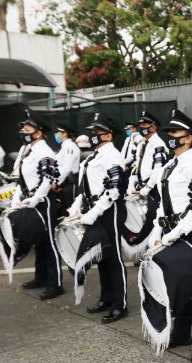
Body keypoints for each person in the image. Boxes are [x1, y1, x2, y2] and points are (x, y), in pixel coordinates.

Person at [143, 109, 192, 363]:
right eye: (169, 132)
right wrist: (158, 233)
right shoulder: (169, 165)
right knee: (182, 282)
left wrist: (174, 234)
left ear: (188, 137)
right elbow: (163, 206)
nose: (170, 136)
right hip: (170, 231)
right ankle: (182, 333)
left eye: (175, 132)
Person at [66, 112, 129, 323]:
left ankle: (120, 305)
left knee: (113, 259)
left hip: (109, 211)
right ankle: (106, 298)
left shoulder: (113, 155)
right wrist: (76, 207)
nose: (92, 135)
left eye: (96, 132)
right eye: (91, 132)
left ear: (108, 136)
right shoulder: (94, 156)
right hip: (95, 209)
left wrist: (94, 212)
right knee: (101, 258)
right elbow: (86, 187)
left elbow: (114, 190)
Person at [0, 110, 64, 300]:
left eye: (28, 128)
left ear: (39, 132)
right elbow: (21, 179)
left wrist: (37, 198)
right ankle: (40, 278)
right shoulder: (28, 150)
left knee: (49, 242)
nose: (23, 131)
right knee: (38, 242)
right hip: (28, 200)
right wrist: (17, 198)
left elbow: (48, 179)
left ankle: (55, 284)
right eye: (23, 128)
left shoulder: (44, 151)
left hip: (44, 201)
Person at [122, 111, 168, 257]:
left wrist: (149, 186)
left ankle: (155, 250)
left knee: (154, 219)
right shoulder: (143, 144)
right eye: (140, 125)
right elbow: (137, 165)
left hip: (154, 189)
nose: (142, 128)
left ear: (153, 127)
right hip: (142, 187)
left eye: (145, 125)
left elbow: (159, 167)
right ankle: (143, 250)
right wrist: (132, 182)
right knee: (141, 219)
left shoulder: (159, 144)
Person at [53, 123, 81, 216]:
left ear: (65, 134)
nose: (56, 135)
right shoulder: (64, 147)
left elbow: (67, 168)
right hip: (64, 184)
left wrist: (56, 182)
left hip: (71, 183)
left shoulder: (70, 147)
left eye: (58, 132)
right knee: (65, 210)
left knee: (72, 210)